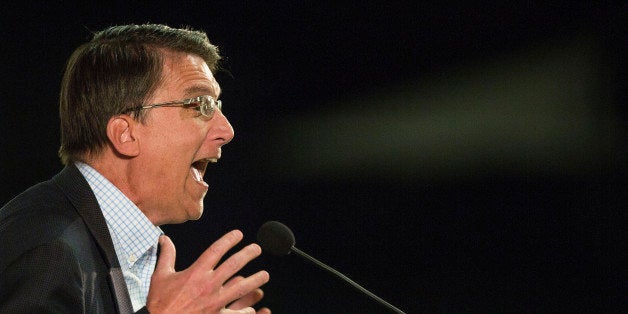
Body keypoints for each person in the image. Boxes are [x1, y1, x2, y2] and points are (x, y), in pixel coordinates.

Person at [0, 24, 270, 313]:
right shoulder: (47, 247)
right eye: (200, 104)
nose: (227, 130)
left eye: (217, 104)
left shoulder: (107, 241)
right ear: (125, 134)